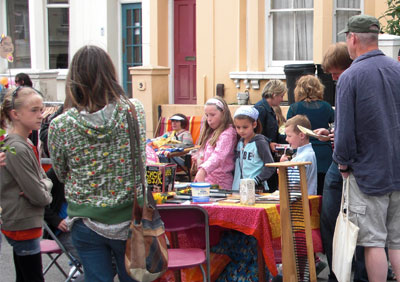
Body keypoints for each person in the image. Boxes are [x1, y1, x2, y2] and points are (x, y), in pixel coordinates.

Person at [48, 45, 145, 282]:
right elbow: (140, 155)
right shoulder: (134, 111)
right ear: (111, 74)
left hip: (86, 218)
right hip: (131, 215)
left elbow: (60, 173)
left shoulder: (60, 125)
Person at [334, 15, 400, 281]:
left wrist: (343, 164)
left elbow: (344, 131)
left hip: (368, 174)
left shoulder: (351, 76)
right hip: (397, 170)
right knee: (396, 241)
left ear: (352, 38)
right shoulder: (397, 70)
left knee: (374, 242)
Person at [0, 87, 53, 281]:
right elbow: (40, 196)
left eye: (41, 109)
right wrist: (44, 189)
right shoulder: (17, 148)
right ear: (15, 114)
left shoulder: (23, 144)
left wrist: (44, 185)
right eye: (34, 110)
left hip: (24, 222)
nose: (41, 115)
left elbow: (44, 181)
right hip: (22, 223)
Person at [287, 75, 334, 195]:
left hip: (304, 154)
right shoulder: (327, 107)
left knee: (305, 192)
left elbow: (288, 130)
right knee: (324, 194)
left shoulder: (294, 108)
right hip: (324, 154)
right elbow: (335, 126)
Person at [193, 96, 237, 189]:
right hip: (208, 180)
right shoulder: (212, 132)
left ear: (223, 113)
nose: (209, 119)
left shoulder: (228, 133)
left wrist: (203, 170)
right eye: (207, 115)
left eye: (213, 115)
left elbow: (219, 155)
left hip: (221, 183)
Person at [232, 106, 275, 192]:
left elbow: (270, 166)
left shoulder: (260, 142)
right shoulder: (240, 143)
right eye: (238, 127)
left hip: (257, 189)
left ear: (254, 124)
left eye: (245, 127)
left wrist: (256, 180)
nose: (241, 131)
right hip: (239, 188)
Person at [280, 115, 317, 195]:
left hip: (299, 202)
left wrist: (282, 168)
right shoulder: (302, 154)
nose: (286, 139)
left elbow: (294, 184)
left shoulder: (304, 156)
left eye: (289, 136)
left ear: (301, 135)